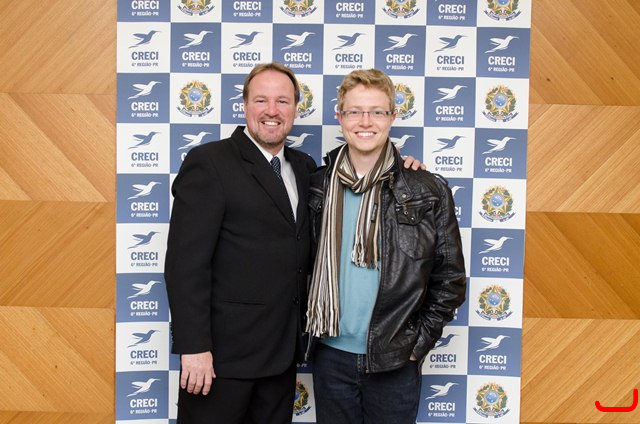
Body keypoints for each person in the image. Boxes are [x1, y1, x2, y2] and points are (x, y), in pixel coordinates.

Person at [164, 62, 424, 424]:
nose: (272, 111)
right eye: (261, 100)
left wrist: (401, 168)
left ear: (295, 109)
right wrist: (194, 348)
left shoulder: (306, 169)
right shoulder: (210, 162)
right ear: (245, 105)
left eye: (283, 101)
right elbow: (185, 264)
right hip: (222, 360)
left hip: (282, 358)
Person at [305, 69, 467, 424]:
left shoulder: (426, 189)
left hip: (395, 359)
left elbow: (450, 280)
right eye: (355, 111)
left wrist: (416, 346)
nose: (365, 122)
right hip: (330, 356)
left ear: (392, 117)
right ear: (340, 117)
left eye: (377, 112)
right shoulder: (316, 185)